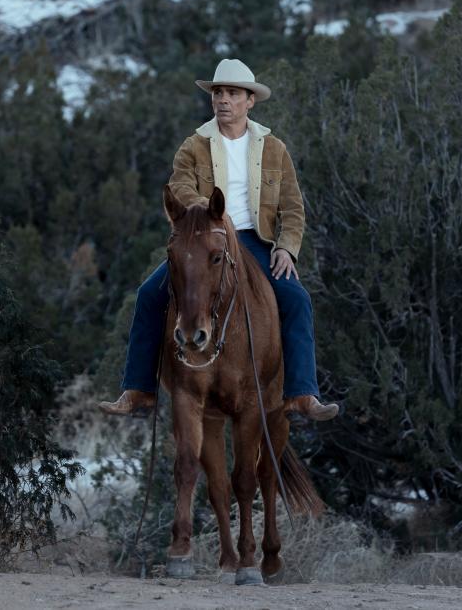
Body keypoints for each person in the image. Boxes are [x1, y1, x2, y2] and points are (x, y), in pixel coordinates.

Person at [98, 58, 339, 421]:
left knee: (297, 299)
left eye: (232, 93)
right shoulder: (194, 145)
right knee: (149, 295)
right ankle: (138, 390)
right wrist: (208, 214)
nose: (223, 100)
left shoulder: (274, 148)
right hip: (206, 240)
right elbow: (179, 186)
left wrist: (287, 248)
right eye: (218, 93)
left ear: (249, 101)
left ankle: (302, 394)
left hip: (256, 243)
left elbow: (293, 207)